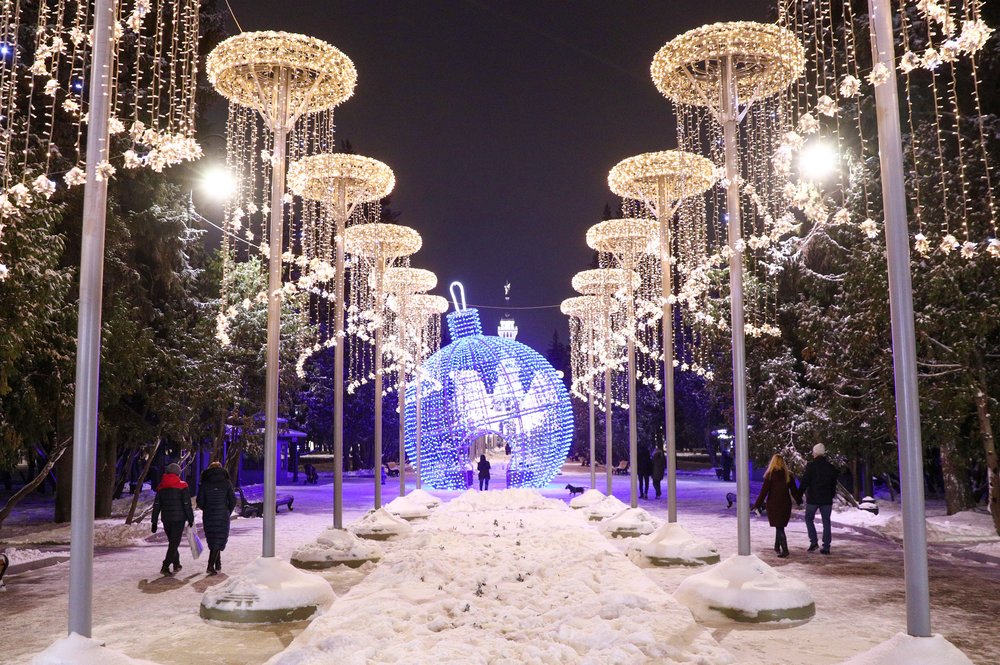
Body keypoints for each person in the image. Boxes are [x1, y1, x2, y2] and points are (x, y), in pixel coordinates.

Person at [753, 454, 802, 558]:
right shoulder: (788, 475)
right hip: (785, 504)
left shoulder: (770, 475)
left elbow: (763, 492)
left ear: (773, 462)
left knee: (779, 527)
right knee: (779, 525)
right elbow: (794, 491)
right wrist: (799, 500)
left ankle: (785, 550)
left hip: (774, 504)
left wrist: (757, 504)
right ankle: (776, 546)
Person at [151, 462, 194, 576]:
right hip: (179, 519)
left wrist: (154, 522)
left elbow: (157, 505)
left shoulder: (161, 486)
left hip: (166, 519)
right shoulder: (183, 486)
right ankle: (165, 566)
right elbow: (186, 504)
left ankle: (177, 563)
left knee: (172, 542)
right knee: (174, 543)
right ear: (178, 473)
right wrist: (190, 519)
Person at [196, 461, 237, 576]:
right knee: (219, 538)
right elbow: (233, 500)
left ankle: (218, 564)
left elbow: (199, 501)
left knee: (214, 538)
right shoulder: (226, 482)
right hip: (222, 514)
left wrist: (207, 508)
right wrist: (227, 510)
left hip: (209, 514)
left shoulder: (204, 483)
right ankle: (210, 566)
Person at [799, 443, 839, 554]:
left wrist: (799, 494)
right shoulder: (830, 467)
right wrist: (831, 495)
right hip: (826, 499)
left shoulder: (811, 466)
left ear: (815, 453)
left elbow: (805, 481)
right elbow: (833, 484)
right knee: (826, 522)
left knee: (808, 518)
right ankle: (826, 546)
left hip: (813, 498)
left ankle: (813, 542)